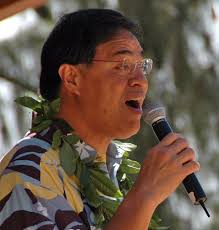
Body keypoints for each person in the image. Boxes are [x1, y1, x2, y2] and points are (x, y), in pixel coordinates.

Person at [0, 9, 199, 230]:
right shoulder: (28, 172)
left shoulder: (109, 172)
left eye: (142, 66)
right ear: (72, 78)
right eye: (123, 65)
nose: (141, 81)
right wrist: (145, 196)